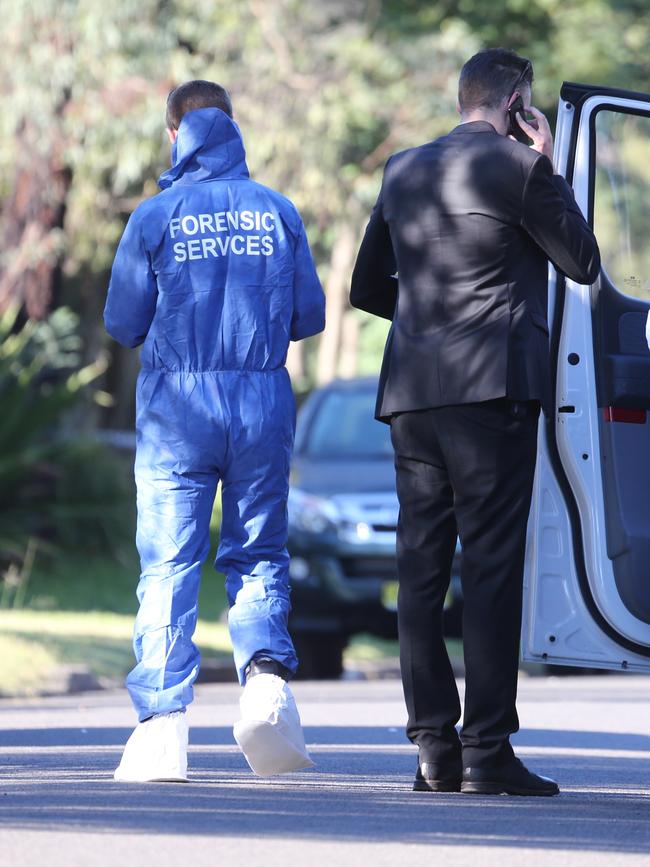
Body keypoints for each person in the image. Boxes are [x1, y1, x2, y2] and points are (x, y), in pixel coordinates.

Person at [350, 48, 600, 796]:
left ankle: (432, 747)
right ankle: (487, 750)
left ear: (463, 98)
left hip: (412, 400)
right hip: (490, 395)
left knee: (421, 572)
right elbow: (583, 261)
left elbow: (367, 285)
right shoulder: (519, 170)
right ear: (518, 104)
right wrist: (548, 162)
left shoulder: (402, 168)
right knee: (490, 572)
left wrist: (430, 321)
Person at [104, 80, 325, 782]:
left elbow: (122, 323)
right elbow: (310, 317)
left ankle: (163, 729)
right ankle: (265, 691)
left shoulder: (155, 215)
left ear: (176, 133)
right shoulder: (278, 211)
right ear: (231, 127)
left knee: (170, 562)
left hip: (177, 410)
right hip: (259, 399)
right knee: (258, 551)